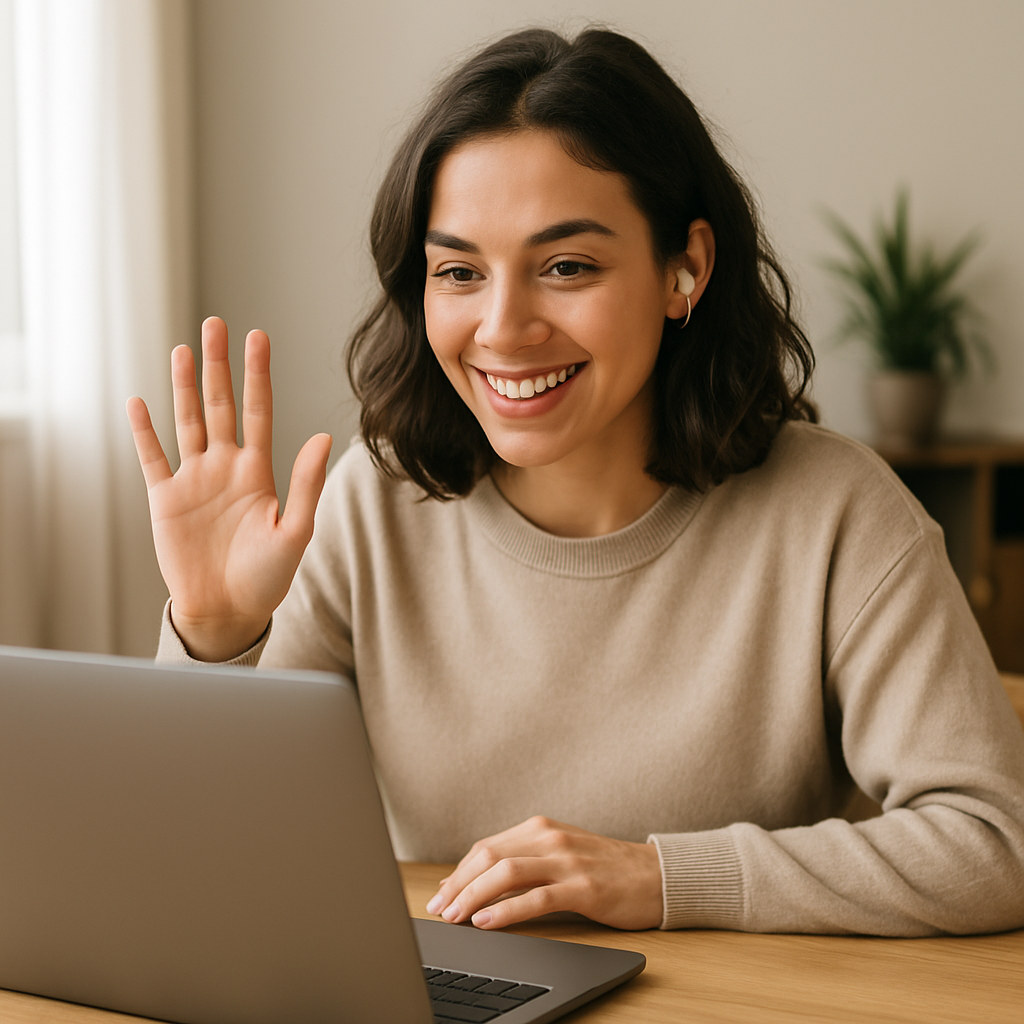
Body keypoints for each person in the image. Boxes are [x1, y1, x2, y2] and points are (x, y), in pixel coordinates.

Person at [127, 27, 1024, 936]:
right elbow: (199, 863)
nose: (503, 328)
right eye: (459, 272)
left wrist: (660, 877)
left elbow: (994, 843)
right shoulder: (372, 505)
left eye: (567, 267)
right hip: (465, 988)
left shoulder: (837, 513)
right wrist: (214, 635)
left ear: (685, 268)